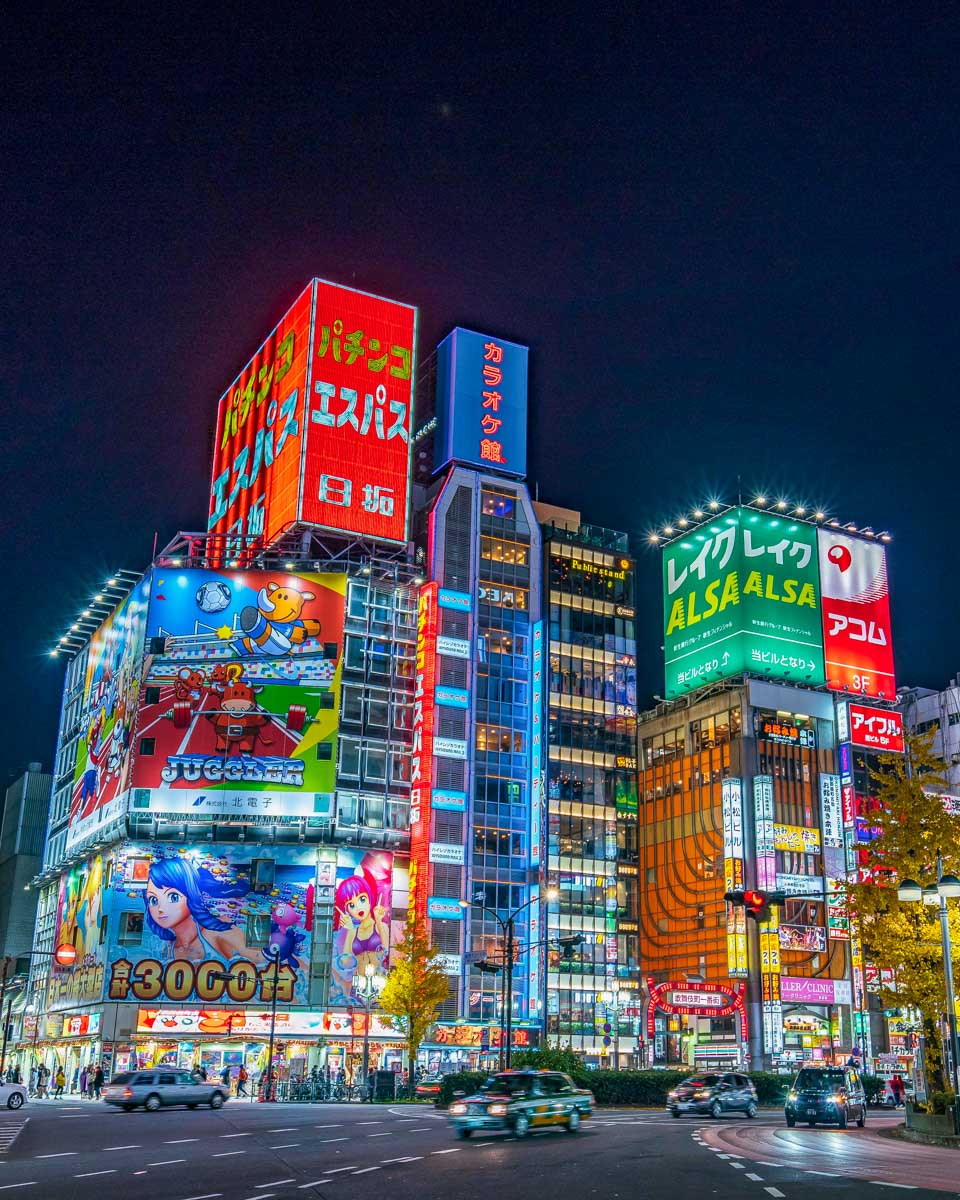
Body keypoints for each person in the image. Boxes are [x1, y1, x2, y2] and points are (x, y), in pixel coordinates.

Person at [143, 856, 259, 964]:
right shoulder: (167, 949)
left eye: (173, 897)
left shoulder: (217, 932)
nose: (161, 909)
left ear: (191, 895)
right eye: (153, 900)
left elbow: (260, 960)